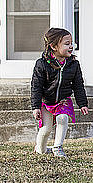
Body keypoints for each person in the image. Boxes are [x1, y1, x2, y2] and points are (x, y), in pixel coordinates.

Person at [31, 27, 89, 157]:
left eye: (71, 43)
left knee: (62, 118)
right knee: (46, 129)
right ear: (53, 46)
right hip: (46, 102)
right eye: (67, 43)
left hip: (63, 100)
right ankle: (41, 148)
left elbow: (78, 85)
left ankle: (58, 147)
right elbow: (36, 86)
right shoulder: (42, 64)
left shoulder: (73, 64)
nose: (71, 47)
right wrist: (36, 107)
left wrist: (82, 103)